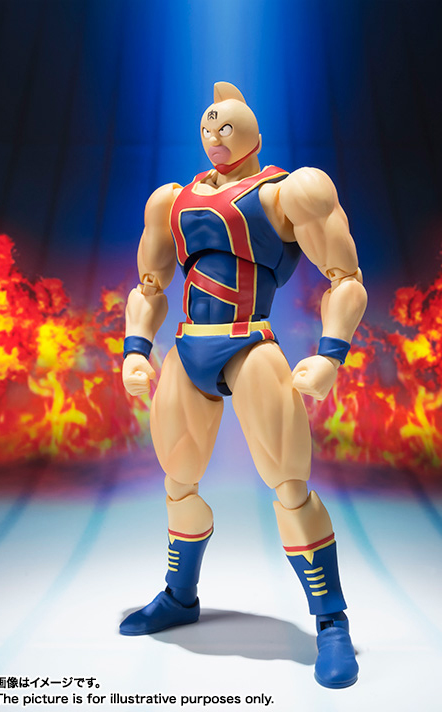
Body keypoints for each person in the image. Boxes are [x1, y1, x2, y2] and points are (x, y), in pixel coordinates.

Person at [120, 82, 367, 689]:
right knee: (178, 479)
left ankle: (330, 621)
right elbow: (149, 287)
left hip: (251, 343)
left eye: (226, 127)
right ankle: (180, 597)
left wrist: (330, 356)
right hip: (189, 346)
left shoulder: (288, 192)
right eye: (208, 127)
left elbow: (345, 279)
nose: (214, 137)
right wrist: (135, 349)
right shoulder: (170, 201)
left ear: (254, 135)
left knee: (289, 484)